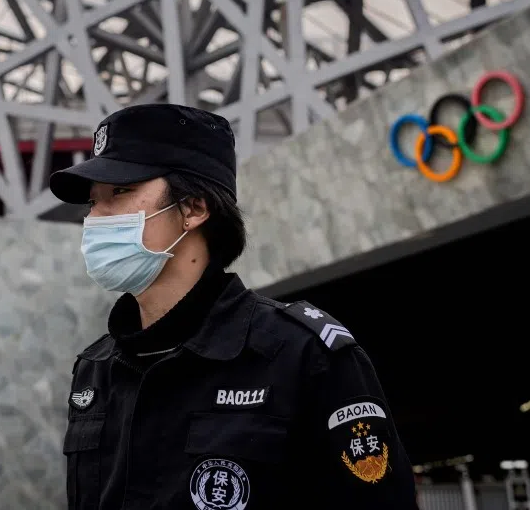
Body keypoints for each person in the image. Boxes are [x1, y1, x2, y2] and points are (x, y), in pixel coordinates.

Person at [49, 103, 419, 510]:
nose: (94, 218)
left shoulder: (303, 355)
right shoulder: (94, 370)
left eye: (120, 192)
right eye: (92, 201)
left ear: (193, 208)